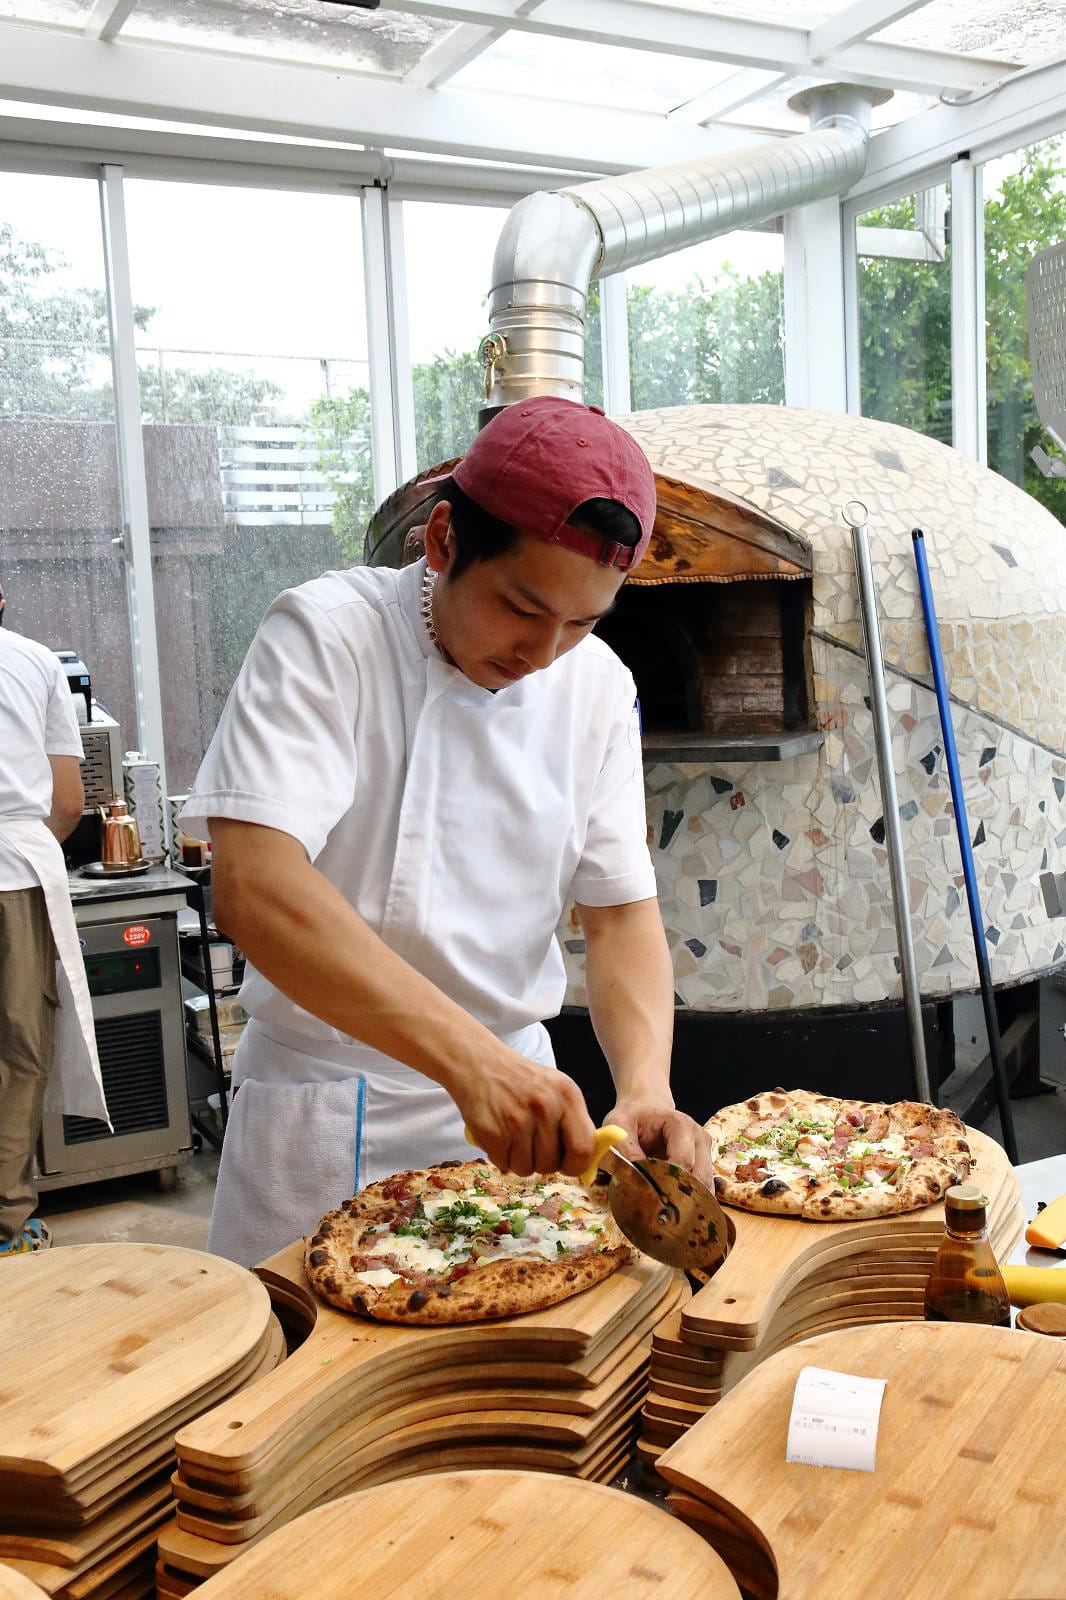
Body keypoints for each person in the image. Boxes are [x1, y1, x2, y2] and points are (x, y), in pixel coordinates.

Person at [181, 396, 712, 1267]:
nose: (543, 652)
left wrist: (646, 1085)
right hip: (325, 1101)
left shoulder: (597, 687)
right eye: (522, 607)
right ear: (441, 540)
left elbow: (620, 913)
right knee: (299, 1347)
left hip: (519, 1123)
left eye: (582, 622)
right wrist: (470, 1062)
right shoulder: (327, 636)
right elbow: (256, 885)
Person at [0, 579, 110, 1255]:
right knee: (16, 1053)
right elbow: (68, 802)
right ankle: (5, 1228)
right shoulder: (34, 661)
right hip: (15, 877)